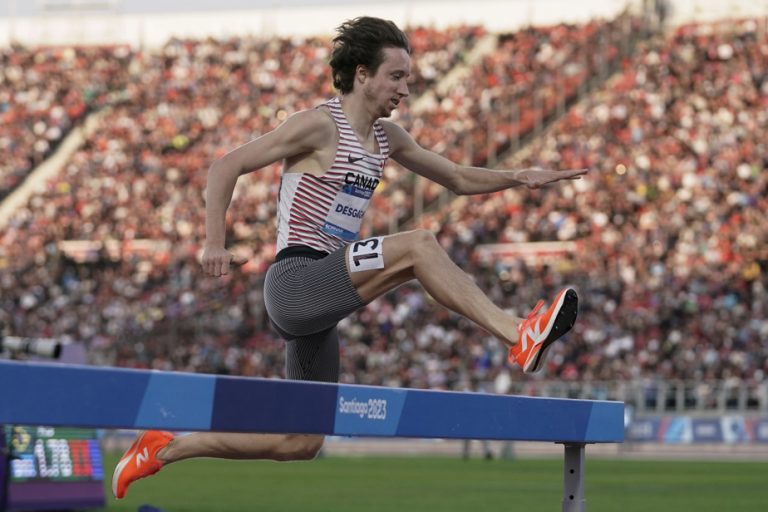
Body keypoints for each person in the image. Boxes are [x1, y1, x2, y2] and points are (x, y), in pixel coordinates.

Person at [112, 16, 587, 499]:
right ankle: (516, 332)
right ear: (362, 74)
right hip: (295, 281)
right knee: (418, 244)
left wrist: (520, 176)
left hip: (322, 299)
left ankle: (163, 449)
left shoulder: (388, 138)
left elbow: (458, 178)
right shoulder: (318, 125)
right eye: (396, 76)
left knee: (301, 441)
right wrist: (214, 241)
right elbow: (226, 165)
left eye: (408, 77)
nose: (406, 88)